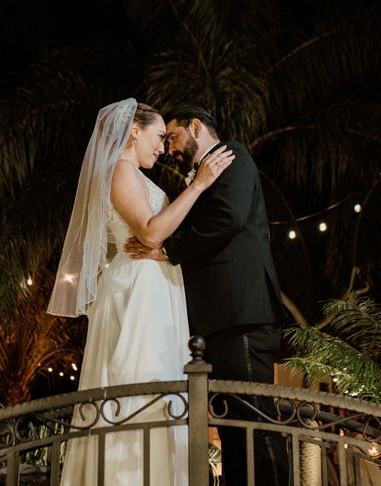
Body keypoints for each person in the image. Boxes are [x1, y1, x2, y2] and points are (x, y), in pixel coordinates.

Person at [47, 98, 234, 486]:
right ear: (134, 130)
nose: (163, 147)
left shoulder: (139, 176)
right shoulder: (119, 170)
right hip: (135, 291)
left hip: (157, 286)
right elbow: (149, 231)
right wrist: (199, 185)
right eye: (159, 136)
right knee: (134, 384)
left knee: (162, 388)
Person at [126, 103, 290, 486]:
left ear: (196, 127)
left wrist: (168, 249)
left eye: (173, 136)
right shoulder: (199, 175)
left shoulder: (233, 155)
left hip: (242, 315)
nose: (168, 148)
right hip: (219, 322)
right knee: (233, 430)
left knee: (256, 424)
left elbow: (228, 218)